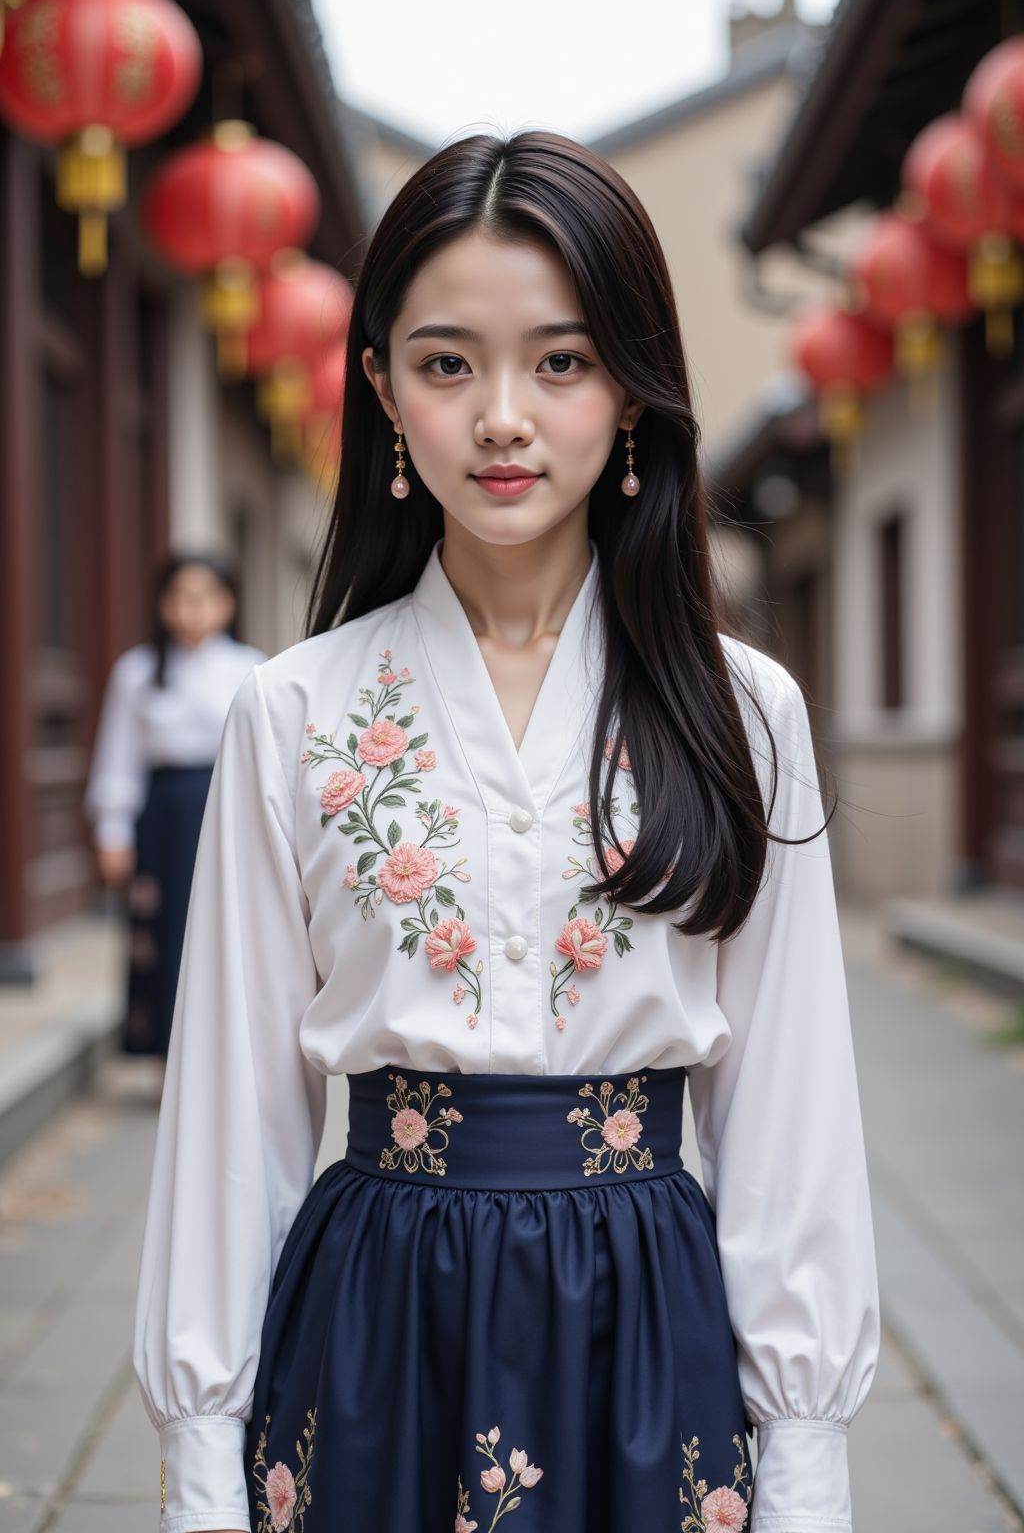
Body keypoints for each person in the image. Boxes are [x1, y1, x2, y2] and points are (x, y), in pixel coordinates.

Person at [131, 132, 880, 1533]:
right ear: (381, 389)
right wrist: (200, 1461)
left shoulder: (744, 713)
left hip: (647, 1321)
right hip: (372, 1320)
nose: (502, 418)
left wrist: (805, 1466)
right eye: (446, 362)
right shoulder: (292, 713)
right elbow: (233, 1109)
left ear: (634, 391)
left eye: (561, 360)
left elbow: (792, 1114)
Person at [84, 552, 266, 1068]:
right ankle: (170, 1055)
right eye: (181, 596)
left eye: (206, 596)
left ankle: (227, 1057)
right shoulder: (138, 672)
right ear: (163, 605)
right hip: (162, 819)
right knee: (166, 930)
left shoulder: (251, 667)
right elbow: (117, 755)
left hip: (228, 810)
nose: (193, 609)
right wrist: (112, 830)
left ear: (229, 603)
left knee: (229, 929)